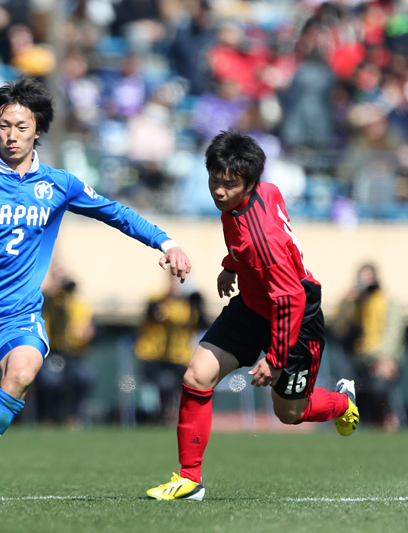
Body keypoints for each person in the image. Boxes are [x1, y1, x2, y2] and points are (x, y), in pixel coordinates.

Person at [0, 77, 191, 468]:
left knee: (23, 371)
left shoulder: (58, 184)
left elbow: (117, 213)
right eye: (3, 125)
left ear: (38, 130)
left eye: (22, 127)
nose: (11, 136)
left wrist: (167, 243)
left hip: (18, 312)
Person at [146, 131, 359, 501]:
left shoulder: (264, 240)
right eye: (215, 180)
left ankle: (343, 403)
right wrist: (232, 264)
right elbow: (244, 237)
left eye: (230, 185)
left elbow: (290, 297)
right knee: (197, 376)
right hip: (252, 306)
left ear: (249, 183)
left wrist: (275, 360)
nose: (219, 191)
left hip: (293, 320)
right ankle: (189, 480)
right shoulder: (265, 191)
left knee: (289, 414)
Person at [332, 264, 405, 431]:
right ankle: (349, 422)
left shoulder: (387, 301)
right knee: (344, 378)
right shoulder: (353, 303)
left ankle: (385, 419)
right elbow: (338, 330)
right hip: (358, 359)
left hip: (380, 358)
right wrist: (346, 304)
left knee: (380, 384)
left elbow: (394, 333)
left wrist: (387, 358)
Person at [134, 275, 208, 424]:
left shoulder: (189, 304)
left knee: (201, 379)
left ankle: (192, 417)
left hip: (180, 358)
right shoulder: (157, 299)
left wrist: (198, 305)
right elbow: (151, 313)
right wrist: (168, 298)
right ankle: (161, 416)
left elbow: (203, 325)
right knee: (165, 382)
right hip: (154, 357)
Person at [36, 266, 97, 425]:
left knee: (84, 376)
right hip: (51, 352)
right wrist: (48, 293)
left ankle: (73, 416)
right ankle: (48, 417)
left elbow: (90, 326)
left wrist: (89, 331)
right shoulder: (44, 299)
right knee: (50, 380)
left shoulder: (78, 303)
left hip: (73, 353)